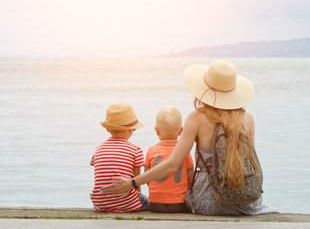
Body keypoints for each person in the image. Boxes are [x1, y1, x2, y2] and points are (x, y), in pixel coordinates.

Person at [101, 60, 278, 215]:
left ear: (206, 89)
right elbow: (250, 164)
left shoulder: (196, 118)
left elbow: (172, 164)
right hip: (249, 203)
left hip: (209, 203)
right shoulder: (249, 119)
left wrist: (132, 183)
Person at [90, 103, 149, 213]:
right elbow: (137, 182)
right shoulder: (135, 150)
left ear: (107, 129)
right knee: (147, 200)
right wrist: (138, 194)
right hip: (128, 204)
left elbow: (100, 173)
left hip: (100, 204)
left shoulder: (98, 149)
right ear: (131, 130)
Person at [145, 107, 194, 213]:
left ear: (156, 130)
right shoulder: (184, 152)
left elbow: (147, 177)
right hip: (179, 204)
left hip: (155, 203)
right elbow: (191, 177)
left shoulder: (151, 150)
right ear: (181, 131)